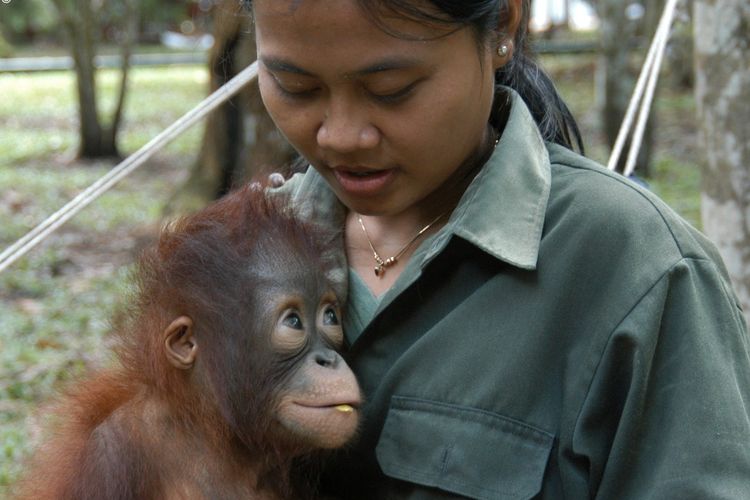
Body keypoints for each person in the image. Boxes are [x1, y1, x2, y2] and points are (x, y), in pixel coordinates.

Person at [244, 0, 750, 497]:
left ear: (504, 23)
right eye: (297, 87)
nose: (342, 135)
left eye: (391, 91)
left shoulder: (638, 272)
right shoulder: (237, 255)